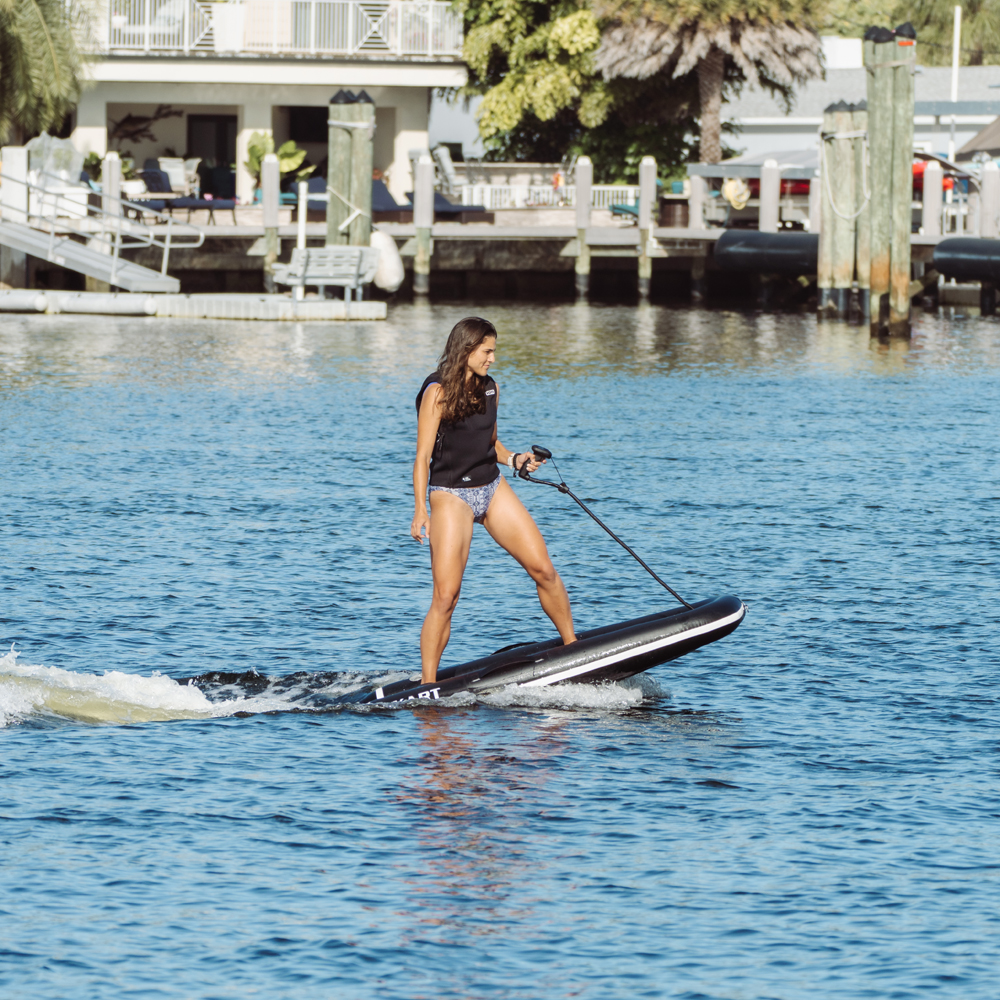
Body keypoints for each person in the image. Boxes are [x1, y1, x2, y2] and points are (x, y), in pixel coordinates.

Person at [411, 317, 576, 684]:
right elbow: (422, 457)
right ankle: (428, 685)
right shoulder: (436, 392)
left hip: (491, 485)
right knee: (447, 596)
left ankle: (573, 648)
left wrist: (516, 459)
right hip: (451, 494)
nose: (492, 359)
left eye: (494, 351)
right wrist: (421, 509)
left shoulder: (491, 389)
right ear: (467, 349)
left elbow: (491, 443)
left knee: (544, 570)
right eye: (487, 351)